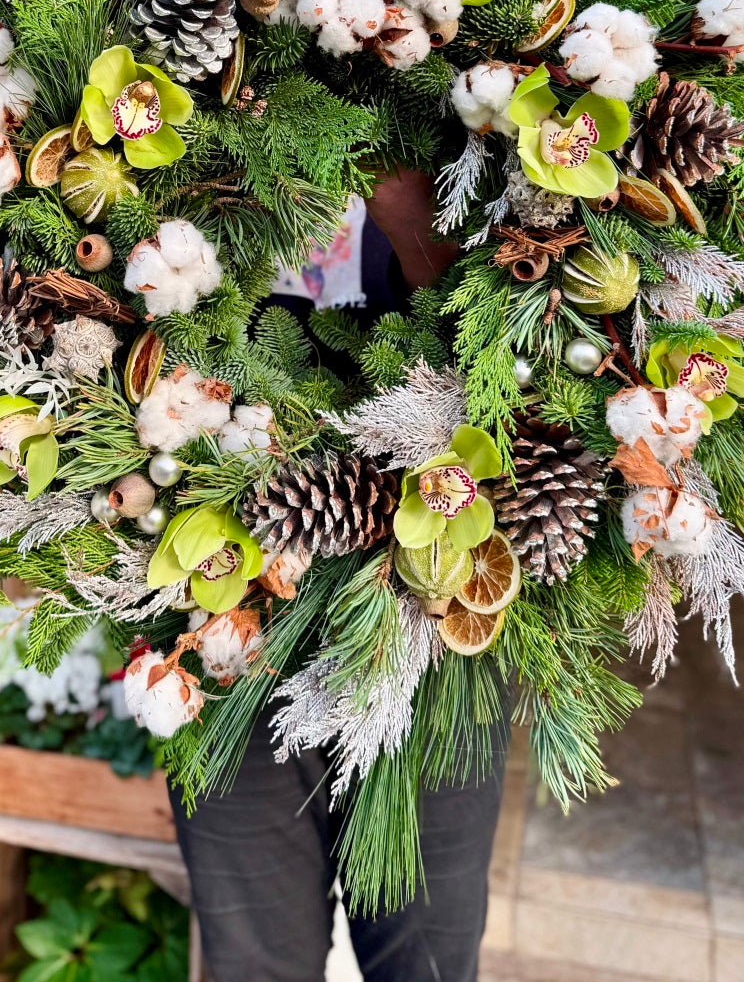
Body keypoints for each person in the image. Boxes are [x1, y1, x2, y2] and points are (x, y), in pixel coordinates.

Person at [168, 170, 509, 982]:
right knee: (253, 961)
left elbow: (518, 340)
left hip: (432, 625)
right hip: (224, 621)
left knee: (426, 960)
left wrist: (408, 213)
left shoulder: (456, 118)